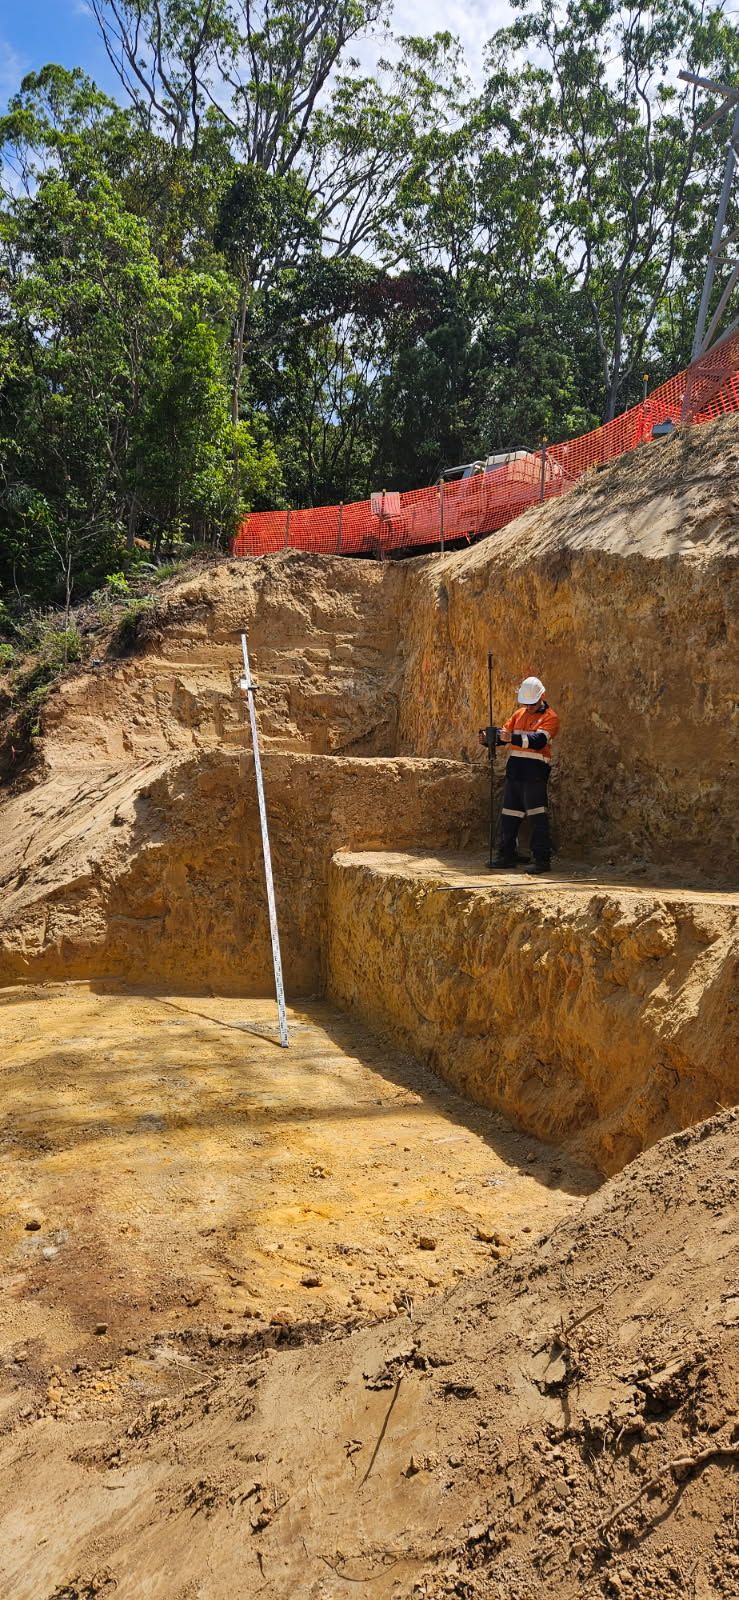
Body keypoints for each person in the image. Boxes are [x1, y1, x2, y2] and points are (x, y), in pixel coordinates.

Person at [478, 676, 559, 874]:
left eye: (532, 703)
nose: (529, 707)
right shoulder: (519, 714)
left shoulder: (550, 717)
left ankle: (541, 859)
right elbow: (504, 735)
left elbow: (538, 740)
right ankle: (507, 855)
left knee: (537, 816)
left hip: (535, 773)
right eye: (526, 703)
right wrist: (489, 739)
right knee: (509, 816)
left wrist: (511, 737)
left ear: (542, 697)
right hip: (515, 772)